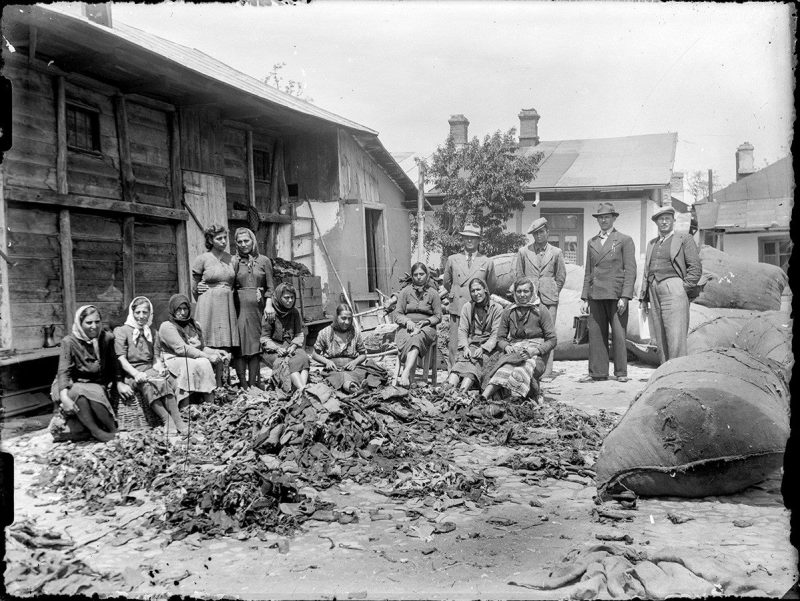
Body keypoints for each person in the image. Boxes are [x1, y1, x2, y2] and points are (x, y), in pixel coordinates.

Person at [51, 305, 132, 443]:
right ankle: (96, 431)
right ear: (80, 323)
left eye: (97, 321)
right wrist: (64, 398)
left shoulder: (106, 338)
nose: (94, 326)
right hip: (71, 384)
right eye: (89, 322)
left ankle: (112, 429)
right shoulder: (69, 342)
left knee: (93, 393)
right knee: (79, 392)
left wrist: (119, 382)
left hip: (96, 384)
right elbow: (63, 372)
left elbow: (114, 363)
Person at [580, 202, 637, 383]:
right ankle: (597, 372)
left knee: (619, 335)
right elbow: (588, 272)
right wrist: (585, 298)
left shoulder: (624, 240)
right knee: (596, 335)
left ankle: (621, 372)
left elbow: (631, 270)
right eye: (600, 218)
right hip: (596, 294)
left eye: (606, 217)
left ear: (613, 218)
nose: (603, 220)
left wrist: (625, 296)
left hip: (616, 294)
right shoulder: (592, 242)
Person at [114, 296, 187, 434]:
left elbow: (155, 358)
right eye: (138, 312)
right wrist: (136, 374)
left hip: (149, 369)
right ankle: (167, 420)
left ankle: (178, 420)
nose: (141, 316)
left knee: (164, 380)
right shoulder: (122, 331)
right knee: (149, 383)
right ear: (132, 312)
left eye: (145, 312)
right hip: (131, 373)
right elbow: (121, 359)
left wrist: (160, 368)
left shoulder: (152, 332)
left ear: (150, 313)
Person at [640, 206, 702, 363]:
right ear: (656, 223)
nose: (664, 222)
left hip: (674, 288)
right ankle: (665, 369)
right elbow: (646, 271)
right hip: (653, 290)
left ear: (673, 221)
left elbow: (695, 268)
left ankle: (678, 370)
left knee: (675, 334)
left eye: (667, 218)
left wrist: (682, 288)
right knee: (659, 335)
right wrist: (643, 296)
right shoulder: (652, 243)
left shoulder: (684, 238)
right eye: (660, 219)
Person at [481, 278, 556, 403]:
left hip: (536, 355)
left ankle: (520, 397)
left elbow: (552, 340)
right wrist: (506, 346)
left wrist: (535, 351)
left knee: (520, 370)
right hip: (514, 352)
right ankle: (484, 397)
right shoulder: (509, 311)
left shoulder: (541, 310)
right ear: (514, 293)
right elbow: (500, 338)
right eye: (519, 291)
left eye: (526, 291)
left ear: (532, 292)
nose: (522, 295)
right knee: (503, 369)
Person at [513, 217, 566, 380]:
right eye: (535, 233)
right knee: (530, 332)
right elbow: (519, 275)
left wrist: (552, 289)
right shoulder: (524, 252)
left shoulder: (556, 252)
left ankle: (547, 371)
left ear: (547, 232)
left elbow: (561, 277)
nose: (539, 236)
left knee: (549, 334)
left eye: (541, 232)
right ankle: (530, 369)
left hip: (549, 300)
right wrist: (525, 295)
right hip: (529, 299)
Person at [159, 294, 227, 406]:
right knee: (195, 363)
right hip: (173, 358)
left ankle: (212, 402)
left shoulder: (194, 325)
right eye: (179, 309)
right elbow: (182, 349)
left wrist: (215, 352)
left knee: (204, 361)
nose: (182, 312)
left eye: (185, 309)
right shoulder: (167, 326)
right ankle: (186, 406)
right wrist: (208, 356)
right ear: (173, 310)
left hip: (193, 357)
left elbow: (202, 347)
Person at [442, 224, 495, 369]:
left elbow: (491, 286)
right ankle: (453, 372)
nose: (469, 240)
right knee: (454, 343)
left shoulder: (487, 261)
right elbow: (447, 282)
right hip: (458, 306)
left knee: (475, 341)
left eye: (473, 238)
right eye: (466, 237)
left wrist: (478, 298)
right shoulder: (453, 259)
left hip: (478, 308)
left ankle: (472, 372)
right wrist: (457, 293)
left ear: (479, 240)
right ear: (463, 239)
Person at [192, 224, 239, 384]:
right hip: (207, 305)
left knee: (225, 343)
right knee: (207, 342)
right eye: (219, 238)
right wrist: (201, 291)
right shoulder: (202, 259)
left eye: (225, 237)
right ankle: (209, 383)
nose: (224, 241)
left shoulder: (232, 259)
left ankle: (224, 382)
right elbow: (195, 288)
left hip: (226, 306)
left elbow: (236, 284)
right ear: (211, 240)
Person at [231, 227, 275, 389]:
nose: (243, 244)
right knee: (240, 345)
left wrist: (268, 304)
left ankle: (253, 383)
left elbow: (270, 287)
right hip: (238, 306)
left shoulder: (264, 261)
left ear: (253, 241)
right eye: (239, 241)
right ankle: (243, 384)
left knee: (256, 345)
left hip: (258, 307)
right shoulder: (233, 261)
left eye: (246, 241)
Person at [311, 304, 386, 393]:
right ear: (337, 317)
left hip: (353, 368)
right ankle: (352, 387)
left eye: (349, 319)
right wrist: (327, 362)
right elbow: (314, 355)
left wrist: (355, 362)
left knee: (365, 373)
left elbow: (363, 355)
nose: (346, 322)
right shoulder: (325, 332)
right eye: (343, 318)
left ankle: (356, 386)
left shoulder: (355, 333)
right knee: (340, 377)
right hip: (333, 370)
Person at [446, 277, 503, 392]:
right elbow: (463, 330)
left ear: (485, 290)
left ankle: (462, 393)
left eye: (478, 289)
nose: (476, 293)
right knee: (460, 364)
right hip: (472, 344)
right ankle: (446, 391)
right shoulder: (467, 307)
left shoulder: (497, 308)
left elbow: (495, 334)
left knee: (474, 365)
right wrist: (465, 346)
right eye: (473, 291)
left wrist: (483, 348)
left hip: (490, 348)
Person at [393, 262, 443, 388]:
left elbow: (438, 316)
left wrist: (427, 321)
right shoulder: (405, 292)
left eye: (421, 274)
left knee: (416, 337)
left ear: (427, 275)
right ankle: (411, 379)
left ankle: (406, 374)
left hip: (426, 328)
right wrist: (407, 321)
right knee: (411, 338)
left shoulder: (433, 293)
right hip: (407, 327)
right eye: (415, 274)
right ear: (412, 276)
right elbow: (397, 314)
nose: (419, 277)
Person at [260, 282, 310, 393]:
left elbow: (298, 333)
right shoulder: (270, 313)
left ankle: (302, 389)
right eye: (286, 298)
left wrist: (294, 345)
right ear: (279, 297)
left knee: (304, 358)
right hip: (273, 350)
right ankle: (303, 390)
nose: (290, 300)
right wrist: (277, 348)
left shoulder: (295, 312)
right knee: (287, 363)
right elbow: (265, 338)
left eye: (292, 297)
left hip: (290, 346)